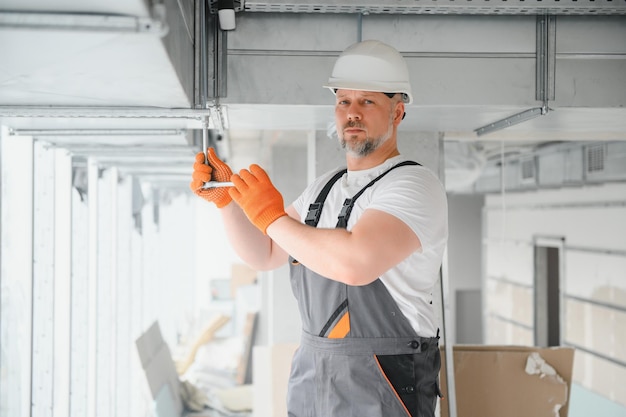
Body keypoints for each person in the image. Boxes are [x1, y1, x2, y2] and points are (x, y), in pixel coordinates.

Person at [190, 39, 448, 417]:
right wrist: (227, 203)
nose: (352, 113)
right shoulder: (324, 186)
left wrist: (272, 218)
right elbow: (267, 252)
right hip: (314, 378)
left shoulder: (412, 186)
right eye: (344, 101)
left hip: (384, 382)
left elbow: (356, 262)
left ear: (397, 112)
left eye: (367, 101)